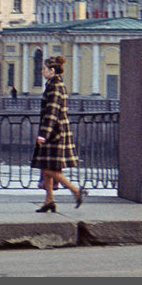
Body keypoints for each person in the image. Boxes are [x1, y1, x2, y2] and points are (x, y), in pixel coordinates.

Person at [30, 55, 84, 212]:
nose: (42, 71)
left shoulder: (55, 87)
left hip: (55, 134)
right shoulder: (54, 84)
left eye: (45, 68)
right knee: (45, 165)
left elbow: (52, 112)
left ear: (52, 70)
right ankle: (49, 201)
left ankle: (75, 190)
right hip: (55, 132)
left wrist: (44, 134)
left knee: (48, 169)